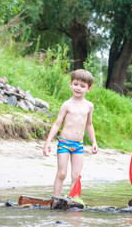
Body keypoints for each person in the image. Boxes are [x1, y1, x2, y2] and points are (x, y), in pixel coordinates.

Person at [43, 69, 98, 197]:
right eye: (76, 84)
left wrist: (94, 141)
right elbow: (57, 124)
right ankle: (56, 198)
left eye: (82, 86)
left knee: (76, 175)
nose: (78, 88)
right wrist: (48, 142)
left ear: (88, 89)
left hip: (78, 145)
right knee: (62, 173)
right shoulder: (66, 105)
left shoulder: (89, 106)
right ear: (70, 84)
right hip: (64, 143)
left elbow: (89, 124)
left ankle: (73, 201)